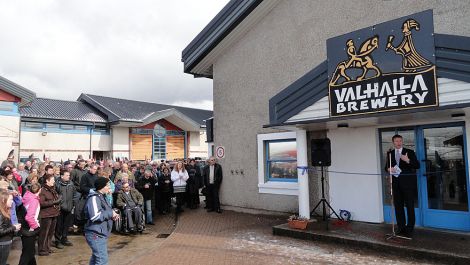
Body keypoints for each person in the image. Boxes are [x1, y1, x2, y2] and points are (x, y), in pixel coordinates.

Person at [385, 134, 420, 238]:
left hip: (408, 184)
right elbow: (386, 167)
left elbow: (417, 165)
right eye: (396, 141)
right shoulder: (390, 153)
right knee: (398, 207)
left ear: (402, 141)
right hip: (396, 184)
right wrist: (388, 169)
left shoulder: (409, 152)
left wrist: (407, 160)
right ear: (393, 142)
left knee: (409, 206)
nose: (399, 143)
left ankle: (410, 228)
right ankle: (401, 227)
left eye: (400, 141)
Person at [84, 177, 119, 265]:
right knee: (102, 260)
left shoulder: (102, 197)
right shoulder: (94, 198)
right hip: (95, 233)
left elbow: (105, 212)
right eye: (107, 185)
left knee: (96, 258)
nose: (109, 187)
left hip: (100, 232)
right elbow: (95, 216)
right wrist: (110, 214)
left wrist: (112, 215)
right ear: (102, 187)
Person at [18, 183, 41, 265]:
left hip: (25, 228)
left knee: (29, 251)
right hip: (29, 230)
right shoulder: (34, 200)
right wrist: (36, 226)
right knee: (27, 254)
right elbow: (29, 217)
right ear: (39, 190)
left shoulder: (27, 196)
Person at [38, 174, 61, 256]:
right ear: (47, 181)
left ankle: (47, 247)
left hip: (53, 213)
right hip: (46, 215)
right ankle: (42, 250)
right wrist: (54, 202)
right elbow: (41, 203)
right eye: (52, 180)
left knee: (50, 233)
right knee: (44, 233)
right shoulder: (43, 190)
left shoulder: (52, 189)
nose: (54, 181)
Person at [54, 171, 75, 248]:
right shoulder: (57, 184)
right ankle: (57, 240)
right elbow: (55, 195)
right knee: (59, 225)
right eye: (67, 175)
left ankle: (64, 238)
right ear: (62, 176)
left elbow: (74, 194)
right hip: (60, 208)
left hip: (69, 207)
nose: (68, 176)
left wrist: (73, 204)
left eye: (69, 175)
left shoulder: (71, 183)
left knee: (66, 225)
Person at [0, 190, 21, 265]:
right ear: (3, 200)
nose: (12, 202)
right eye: (11, 200)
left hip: (6, 241)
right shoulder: (1, 214)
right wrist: (14, 228)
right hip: (3, 243)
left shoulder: (5, 210)